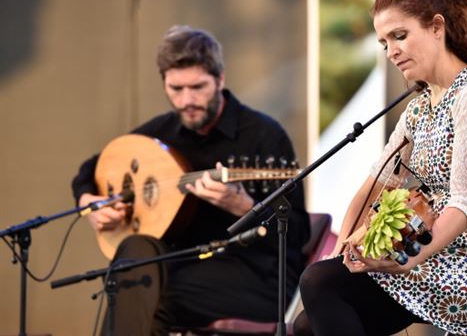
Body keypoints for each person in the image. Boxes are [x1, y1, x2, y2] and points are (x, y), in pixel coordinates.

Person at [293, 0, 467, 336]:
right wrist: (345, 253)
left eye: (399, 36)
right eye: (384, 43)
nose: (391, 51)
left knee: (321, 283)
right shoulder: (419, 106)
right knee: (307, 321)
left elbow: (464, 206)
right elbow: (375, 185)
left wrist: (407, 259)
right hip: (431, 261)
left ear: (437, 27)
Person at [72, 25, 310, 335]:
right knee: (135, 259)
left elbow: (300, 231)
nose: (187, 100)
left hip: (258, 277)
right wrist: (89, 203)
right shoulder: (162, 133)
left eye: (198, 87)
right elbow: (91, 168)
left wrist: (245, 207)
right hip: (183, 266)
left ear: (220, 79)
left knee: (146, 290)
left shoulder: (264, 136)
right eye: (176, 89)